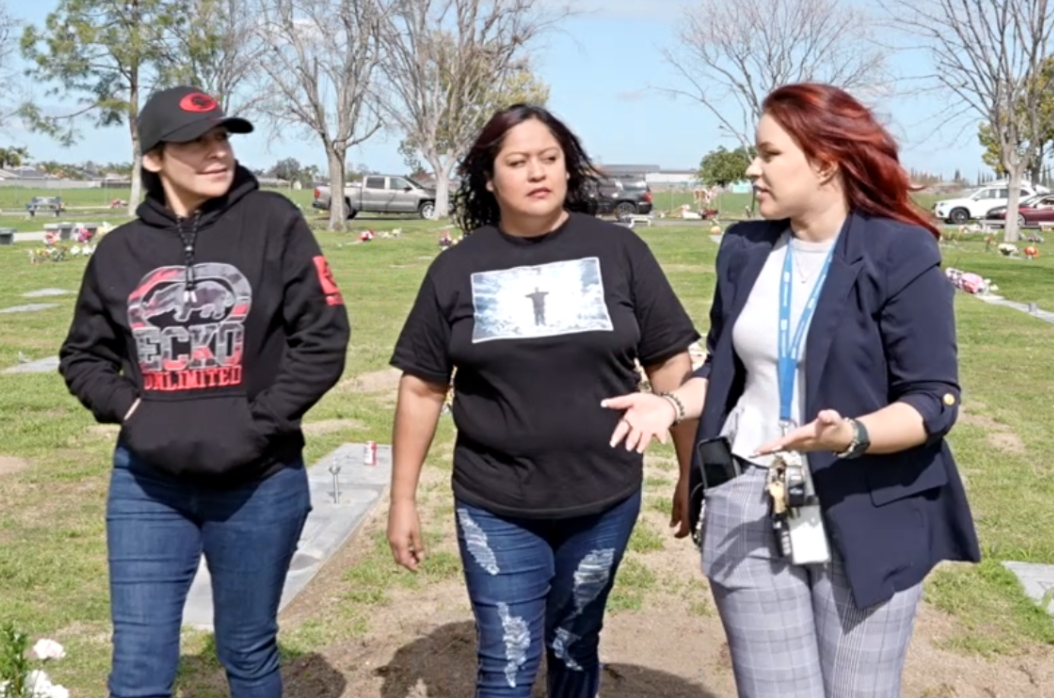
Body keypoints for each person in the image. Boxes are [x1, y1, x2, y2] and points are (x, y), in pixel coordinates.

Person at [602, 83, 981, 698]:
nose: (752, 168)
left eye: (769, 154)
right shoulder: (744, 249)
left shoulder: (899, 251)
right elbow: (725, 369)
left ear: (825, 161)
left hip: (865, 498)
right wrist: (668, 402)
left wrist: (851, 435)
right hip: (751, 492)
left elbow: (932, 401)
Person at [386, 103, 700, 698]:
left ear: (568, 168)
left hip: (603, 497)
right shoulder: (457, 268)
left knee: (574, 644)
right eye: (518, 161)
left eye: (549, 159)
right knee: (506, 661)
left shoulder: (619, 252)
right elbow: (423, 387)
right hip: (494, 502)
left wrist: (688, 471)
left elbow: (670, 364)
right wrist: (402, 499)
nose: (537, 173)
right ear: (488, 177)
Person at [58, 85, 351, 698]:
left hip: (260, 482)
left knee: (246, 650)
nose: (216, 153)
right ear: (154, 159)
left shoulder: (275, 223)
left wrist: (259, 422)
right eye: (194, 142)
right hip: (149, 487)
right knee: (138, 666)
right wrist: (133, 411)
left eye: (221, 137)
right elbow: (83, 356)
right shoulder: (119, 252)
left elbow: (322, 338)